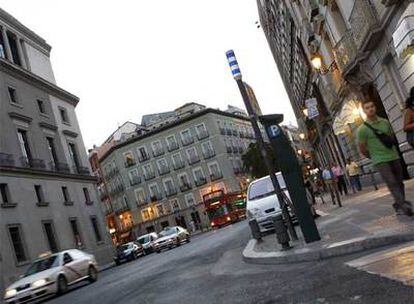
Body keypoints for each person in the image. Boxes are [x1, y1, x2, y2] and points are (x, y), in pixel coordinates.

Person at [357, 99, 413, 216]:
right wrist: (374, 157)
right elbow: (362, 148)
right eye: (367, 108)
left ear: (375, 107)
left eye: (372, 106)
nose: (370, 109)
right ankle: (403, 205)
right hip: (380, 160)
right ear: (364, 111)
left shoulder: (385, 122)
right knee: (392, 182)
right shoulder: (362, 129)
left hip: (393, 156)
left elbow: (391, 137)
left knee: (399, 181)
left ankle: (398, 204)